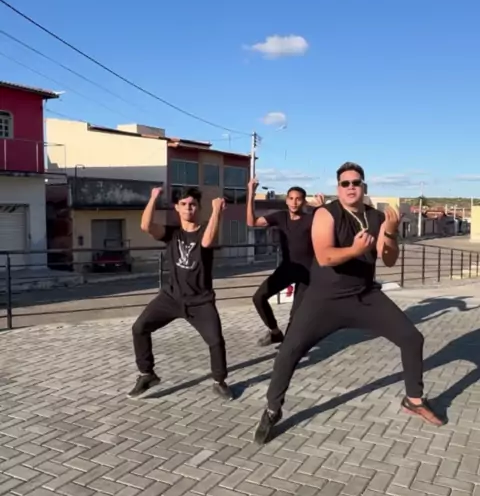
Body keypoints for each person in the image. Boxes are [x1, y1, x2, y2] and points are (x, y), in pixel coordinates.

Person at [254, 161, 444, 444]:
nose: (351, 187)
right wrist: (355, 249)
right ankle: (272, 409)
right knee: (288, 351)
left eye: (356, 182)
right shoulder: (326, 213)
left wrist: (391, 232)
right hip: (323, 299)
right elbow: (324, 256)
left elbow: (389, 260)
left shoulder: (376, 217)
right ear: (338, 188)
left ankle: (413, 400)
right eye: (345, 183)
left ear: (363, 186)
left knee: (412, 338)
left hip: (363, 296)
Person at [130, 185, 232, 400]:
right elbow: (146, 225)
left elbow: (207, 241)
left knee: (215, 341)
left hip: (200, 301)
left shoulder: (205, 230)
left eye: (192, 204)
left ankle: (219, 381)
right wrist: (153, 198)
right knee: (139, 328)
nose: (188, 208)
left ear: (199, 208)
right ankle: (147, 374)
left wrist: (217, 211)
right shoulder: (172, 234)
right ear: (177, 207)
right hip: (171, 298)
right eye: (183, 204)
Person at [247, 177, 324, 345]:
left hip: (307, 274)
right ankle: (275, 332)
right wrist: (251, 193)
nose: (294, 202)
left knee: (295, 315)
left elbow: (330, 226)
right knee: (258, 298)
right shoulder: (280, 217)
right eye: (291, 198)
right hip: (287, 268)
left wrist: (321, 208)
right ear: (287, 200)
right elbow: (252, 222)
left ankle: (288, 347)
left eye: (298, 199)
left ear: (304, 201)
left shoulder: (311, 219)